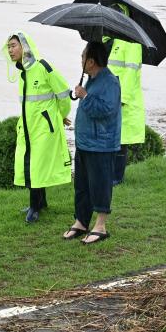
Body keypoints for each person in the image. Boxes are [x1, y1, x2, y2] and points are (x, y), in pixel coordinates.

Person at [5, 32, 72, 223]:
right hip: (28, 126)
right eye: (8, 47)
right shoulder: (23, 72)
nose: (10, 50)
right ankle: (41, 202)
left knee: (36, 166)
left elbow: (63, 93)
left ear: (25, 46)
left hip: (44, 127)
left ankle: (34, 207)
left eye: (13, 45)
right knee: (34, 164)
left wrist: (61, 115)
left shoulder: (43, 67)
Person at [63, 41, 121, 244]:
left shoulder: (110, 81)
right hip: (85, 142)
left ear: (91, 61)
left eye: (82, 57)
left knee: (100, 185)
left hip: (102, 144)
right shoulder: (92, 79)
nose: (80, 60)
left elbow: (106, 111)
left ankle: (101, 225)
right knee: (82, 185)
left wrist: (85, 96)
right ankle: (81, 221)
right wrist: (83, 92)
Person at [105, 4, 146, 185]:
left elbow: (131, 73)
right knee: (111, 137)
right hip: (109, 96)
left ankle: (117, 177)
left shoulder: (131, 42)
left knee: (121, 140)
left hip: (122, 99)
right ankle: (109, 174)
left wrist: (123, 98)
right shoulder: (109, 41)